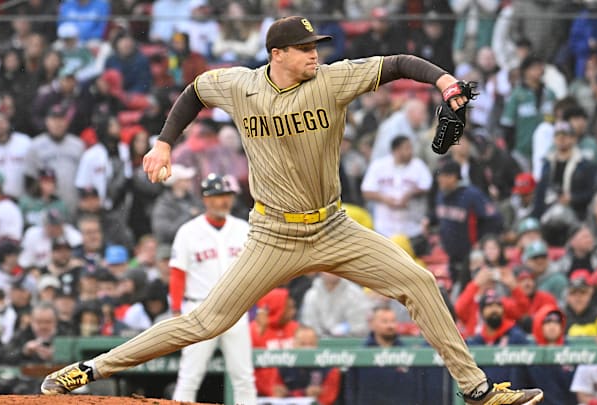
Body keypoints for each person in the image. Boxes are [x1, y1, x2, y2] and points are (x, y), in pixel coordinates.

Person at [42, 16, 544, 405]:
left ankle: (477, 390)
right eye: (305, 49)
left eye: (316, 47)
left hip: (333, 226)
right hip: (273, 235)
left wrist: (444, 83)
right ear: (276, 53)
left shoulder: (332, 80)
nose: (314, 55)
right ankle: (91, 369)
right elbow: (195, 91)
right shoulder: (240, 85)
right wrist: (164, 143)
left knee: (420, 282)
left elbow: (397, 62)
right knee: (205, 322)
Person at [167, 173, 256, 404]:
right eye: (218, 196)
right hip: (199, 309)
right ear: (205, 199)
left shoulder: (243, 228)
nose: (224, 201)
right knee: (189, 376)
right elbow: (178, 273)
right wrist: (176, 310)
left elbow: (256, 272)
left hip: (235, 310)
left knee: (243, 376)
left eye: (227, 195)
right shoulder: (188, 231)